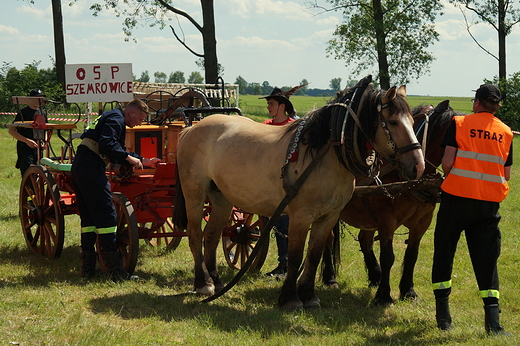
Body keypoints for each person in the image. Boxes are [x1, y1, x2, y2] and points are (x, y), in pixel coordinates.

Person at [431, 84, 513, 335]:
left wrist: (455, 178)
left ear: (476, 103)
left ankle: (443, 317)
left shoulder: (459, 123)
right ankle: (493, 323)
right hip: (487, 206)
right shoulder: (506, 132)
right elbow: (506, 173)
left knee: (444, 253)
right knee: (487, 260)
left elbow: (447, 162)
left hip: (455, 200)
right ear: (496, 106)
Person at [71, 99, 161, 281]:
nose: (139, 124)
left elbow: (114, 147)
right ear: (132, 113)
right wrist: (128, 158)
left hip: (82, 166)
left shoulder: (113, 117)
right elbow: (106, 143)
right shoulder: (117, 120)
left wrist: (143, 160)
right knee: (108, 216)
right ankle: (114, 271)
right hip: (91, 168)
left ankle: (87, 270)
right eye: (140, 119)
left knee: (89, 219)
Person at [259, 86, 300, 277]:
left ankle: (286, 265)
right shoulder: (264, 126)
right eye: (268, 104)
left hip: (289, 183)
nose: (269, 107)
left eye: (271, 104)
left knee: (284, 225)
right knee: (281, 225)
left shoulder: (295, 128)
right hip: (268, 182)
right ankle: (285, 263)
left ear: (282, 106)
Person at [8, 89, 47, 177]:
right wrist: (27, 141)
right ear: (31, 99)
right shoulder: (23, 112)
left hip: (38, 148)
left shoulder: (42, 113)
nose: (40, 100)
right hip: (25, 148)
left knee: (38, 173)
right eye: (38, 98)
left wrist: (45, 141)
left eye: (41, 98)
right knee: (28, 174)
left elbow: (45, 129)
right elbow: (11, 130)